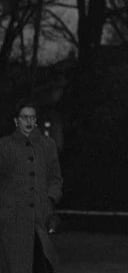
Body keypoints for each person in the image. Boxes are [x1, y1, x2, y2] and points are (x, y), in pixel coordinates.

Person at [0, 102, 62, 273]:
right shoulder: (4, 146)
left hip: (40, 219)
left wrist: (50, 199)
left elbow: (56, 178)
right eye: (24, 117)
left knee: (43, 263)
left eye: (32, 117)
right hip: (12, 223)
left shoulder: (47, 145)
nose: (29, 121)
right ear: (16, 121)